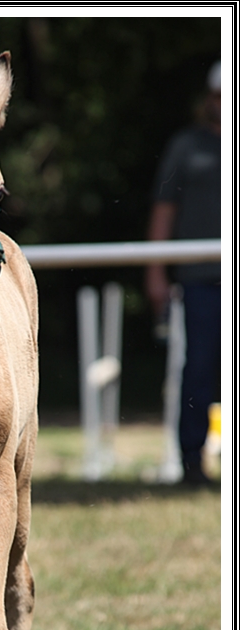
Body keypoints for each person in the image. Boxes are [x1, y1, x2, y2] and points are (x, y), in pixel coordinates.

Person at [146, 61, 221, 486]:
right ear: (208, 98)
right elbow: (163, 212)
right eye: (217, 96)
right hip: (198, 280)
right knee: (198, 369)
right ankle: (192, 463)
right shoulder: (185, 147)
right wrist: (156, 271)